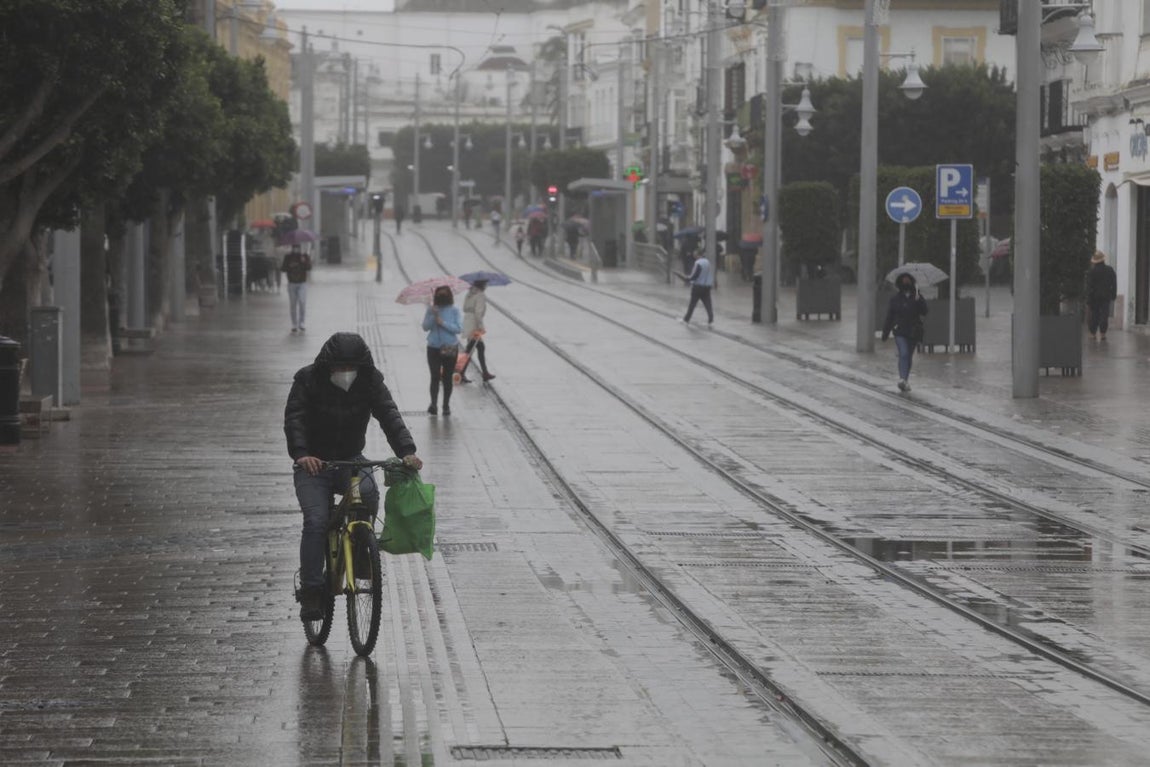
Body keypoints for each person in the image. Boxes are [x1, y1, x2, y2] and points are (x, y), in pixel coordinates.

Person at [284, 332, 423, 621]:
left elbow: (389, 414)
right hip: (314, 464)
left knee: (370, 494)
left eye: (351, 368)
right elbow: (294, 418)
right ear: (327, 366)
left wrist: (407, 451)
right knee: (316, 521)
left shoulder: (371, 381)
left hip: (351, 459)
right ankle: (311, 591)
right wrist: (301, 454)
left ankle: (362, 555)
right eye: (339, 368)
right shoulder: (307, 380)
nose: (345, 374)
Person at [881, 272, 929, 392]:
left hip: (913, 331)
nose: (906, 282)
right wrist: (885, 332)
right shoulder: (895, 299)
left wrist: (919, 300)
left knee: (908, 356)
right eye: (904, 280)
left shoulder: (917, 296)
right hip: (900, 331)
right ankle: (902, 378)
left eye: (908, 280)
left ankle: (905, 381)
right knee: (903, 353)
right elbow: (890, 317)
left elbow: (925, 311)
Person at [422, 285, 462, 415]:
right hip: (433, 347)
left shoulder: (454, 310)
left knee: (447, 377)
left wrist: (442, 323)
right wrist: (433, 316)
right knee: (434, 376)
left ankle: (446, 405)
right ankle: (433, 404)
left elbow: (458, 328)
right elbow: (425, 327)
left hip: (449, 346)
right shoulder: (432, 310)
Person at [459, 279, 496, 384]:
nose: (487, 286)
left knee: (477, 348)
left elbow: (464, 307)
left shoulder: (470, 293)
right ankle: (461, 372)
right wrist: (480, 326)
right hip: (475, 324)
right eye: (486, 284)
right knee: (470, 350)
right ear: (482, 285)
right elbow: (478, 312)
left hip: (468, 322)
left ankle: (484, 373)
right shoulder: (480, 295)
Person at [1086, 249, 1117, 340]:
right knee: (1104, 314)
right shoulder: (1110, 270)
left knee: (1094, 315)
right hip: (1106, 296)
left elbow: (1089, 286)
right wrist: (1113, 294)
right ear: (1103, 260)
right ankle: (1103, 333)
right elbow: (1114, 283)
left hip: (1094, 297)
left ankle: (1093, 333)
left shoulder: (1092, 272)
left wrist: (1088, 298)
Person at [281, 244, 311, 333]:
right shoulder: (288, 257)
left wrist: (304, 261)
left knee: (302, 302)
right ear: (292, 248)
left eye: (298, 248)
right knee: (293, 304)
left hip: (302, 283)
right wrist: (290, 265)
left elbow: (309, 267)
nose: (296, 249)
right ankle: (294, 324)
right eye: (295, 248)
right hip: (291, 284)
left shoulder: (305, 256)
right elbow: (283, 269)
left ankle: (302, 323)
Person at [680, 249, 715, 327]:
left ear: (698, 254)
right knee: (708, 303)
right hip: (707, 286)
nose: (694, 255)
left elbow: (695, 275)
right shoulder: (707, 262)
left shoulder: (698, 263)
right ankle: (711, 319)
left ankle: (686, 319)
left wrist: (688, 278)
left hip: (697, 287)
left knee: (692, 304)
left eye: (695, 254)